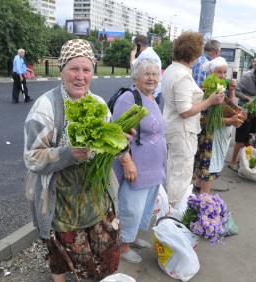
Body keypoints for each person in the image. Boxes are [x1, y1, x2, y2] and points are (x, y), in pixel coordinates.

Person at [24, 39, 130, 282]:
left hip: (96, 198)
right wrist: (68, 154)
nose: (80, 76)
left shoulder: (100, 104)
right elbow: (32, 158)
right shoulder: (45, 108)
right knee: (61, 254)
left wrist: (118, 141)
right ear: (61, 70)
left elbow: (107, 147)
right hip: (62, 204)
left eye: (86, 69)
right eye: (74, 68)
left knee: (105, 255)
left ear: (93, 72)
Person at [112, 58, 166, 264]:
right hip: (137, 167)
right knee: (131, 207)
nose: (152, 78)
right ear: (136, 77)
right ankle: (122, 245)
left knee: (144, 207)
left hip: (153, 167)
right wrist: (127, 162)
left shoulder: (152, 98)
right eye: (147, 74)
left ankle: (131, 238)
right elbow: (117, 134)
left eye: (155, 74)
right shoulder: (129, 98)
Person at [162, 32, 224, 206]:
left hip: (173, 126)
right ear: (194, 54)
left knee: (173, 170)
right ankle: (174, 211)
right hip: (182, 131)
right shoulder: (182, 75)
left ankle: (171, 209)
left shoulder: (172, 70)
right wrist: (210, 100)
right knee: (180, 174)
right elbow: (185, 111)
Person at [193, 56, 244, 194]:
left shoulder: (220, 88)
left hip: (219, 134)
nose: (222, 75)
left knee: (208, 164)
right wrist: (230, 121)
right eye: (219, 72)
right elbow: (203, 118)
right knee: (208, 165)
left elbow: (229, 108)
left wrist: (232, 91)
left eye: (224, 72)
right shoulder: (207, 91)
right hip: (210, 136)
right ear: (211, 73)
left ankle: (198, 185)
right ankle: (204, 198)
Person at [228, 62, 256, 171]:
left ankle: (244, 160)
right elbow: (236, 91)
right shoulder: (247, 77)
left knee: (251, 136)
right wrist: (248, 98)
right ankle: (232, 161)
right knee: (241, 137)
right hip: (245, 109)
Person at [130, 35, 162, 104]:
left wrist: (132, 54)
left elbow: (133, 68)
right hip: (155, 90)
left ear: (139, 45)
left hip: (149, 91)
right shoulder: (151, 52)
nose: (135, 48)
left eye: (135, 46)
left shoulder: (144, 54)